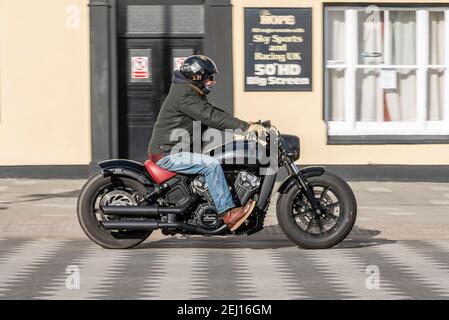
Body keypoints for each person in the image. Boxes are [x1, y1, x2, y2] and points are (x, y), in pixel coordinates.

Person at [148, 55, 266, 231]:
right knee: (211, 165)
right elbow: (210, 117)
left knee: (217, 160)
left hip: (176, 151)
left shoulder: (190, 92)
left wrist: (247, 124)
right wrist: (244, 128)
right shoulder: (184, 94)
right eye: (210, 77)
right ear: (197, 76)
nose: (213, 81)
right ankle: (228, 213)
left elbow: (212, 112)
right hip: (168, 154)